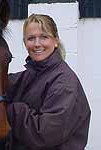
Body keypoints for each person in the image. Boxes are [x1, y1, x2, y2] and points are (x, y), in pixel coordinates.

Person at [6, 14, 91, 150]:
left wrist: (11, 110)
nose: (37, 44)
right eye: (31, 38)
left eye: (44, 37)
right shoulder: (30, 76)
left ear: (56, 41)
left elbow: (44, 134)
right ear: (25, 43)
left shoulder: (64, 83)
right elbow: (1, 85)